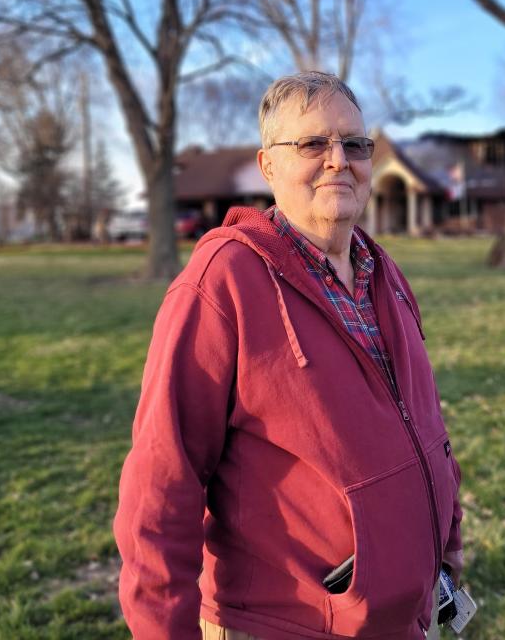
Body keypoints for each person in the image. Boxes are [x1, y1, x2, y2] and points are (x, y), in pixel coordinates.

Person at [114, 71, 464, 640]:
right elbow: (161, 484)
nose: (338, 160)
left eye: (355, 144)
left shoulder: (385, 274)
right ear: (267, 166)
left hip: (401, 617)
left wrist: (446, 545)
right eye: (312, 143)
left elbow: (425, 426)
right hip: (285, 624)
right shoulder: (222, 283)